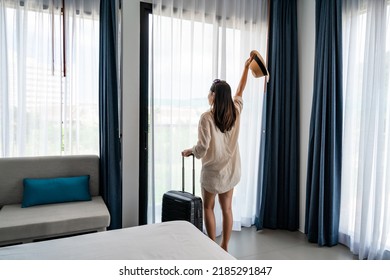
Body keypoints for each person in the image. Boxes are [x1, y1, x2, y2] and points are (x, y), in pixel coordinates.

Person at [182, 55, 254, 252]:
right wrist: (246, 68)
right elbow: (240, 90)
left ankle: (212, 248)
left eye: (209, 92)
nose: (208, 95)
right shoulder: (236, 111)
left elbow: (202, 147)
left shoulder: (206, 118)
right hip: (230, 171)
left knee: (208, 208)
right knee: (228, 209)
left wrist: (191, 152)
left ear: (213, 95)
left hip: (213, 172)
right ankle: (225, 247)